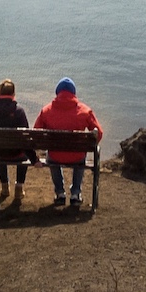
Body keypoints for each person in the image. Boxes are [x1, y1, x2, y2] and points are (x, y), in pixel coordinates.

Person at [34, 77, 102, 209]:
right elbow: (98, 133)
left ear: (57, 92)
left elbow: (36, 132)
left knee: (51, 156)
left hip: (55, 156)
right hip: (77, 156)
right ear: (73, 93)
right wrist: (87, 145)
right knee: (81, 156)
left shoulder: (46, 110)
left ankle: (60, 193)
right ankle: (75, 194)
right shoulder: (85, 111)